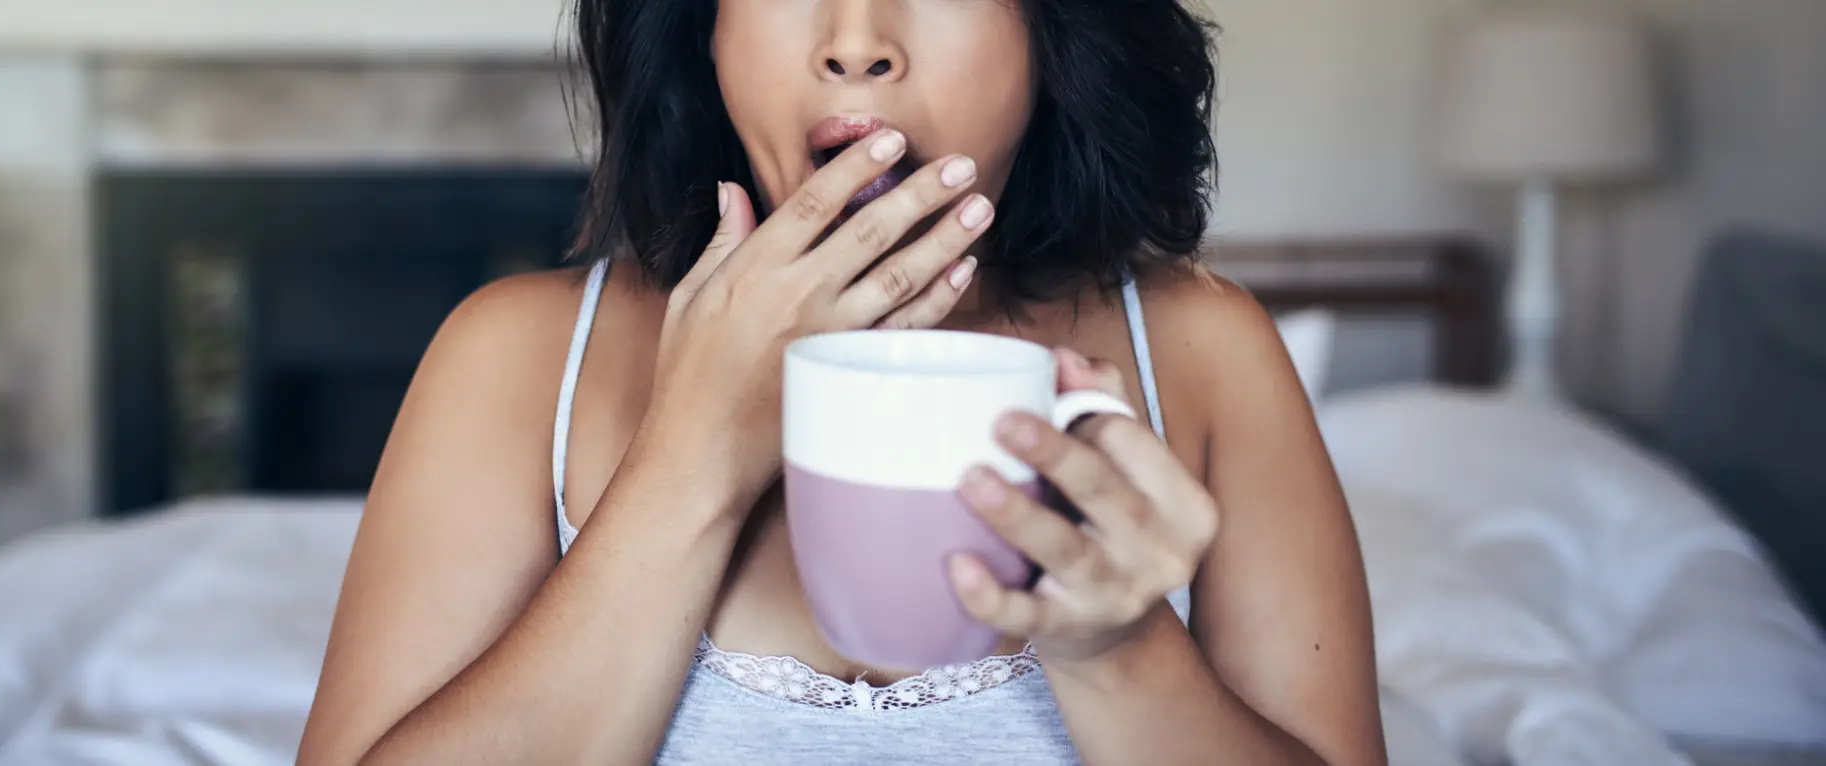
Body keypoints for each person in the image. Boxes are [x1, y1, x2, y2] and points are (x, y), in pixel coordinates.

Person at [297, 1, 1385, 763]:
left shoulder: (1206, 351)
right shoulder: (516, 355)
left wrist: (1118, 650)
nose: (856, 43)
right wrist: (695, 454)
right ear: (704, 27)